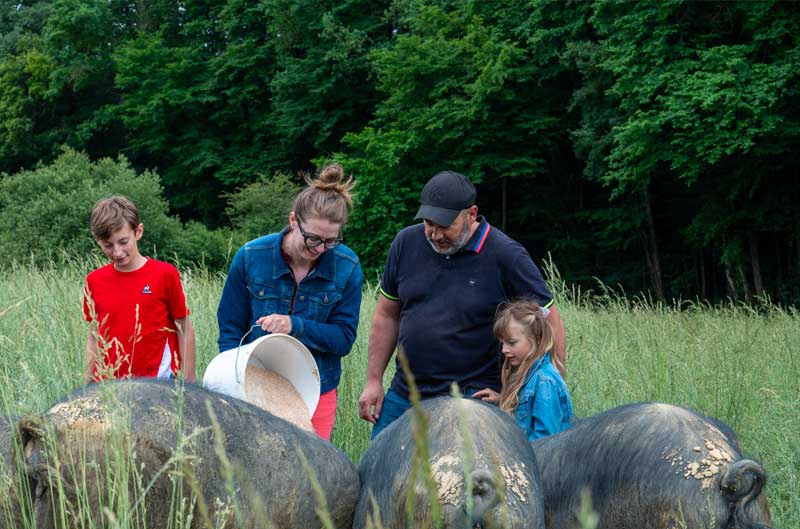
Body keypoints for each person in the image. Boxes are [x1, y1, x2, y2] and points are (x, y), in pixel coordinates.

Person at [357, 170, 567, 438]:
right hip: (405, 393)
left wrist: (545, 387)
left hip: (473, 397)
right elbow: (387, 315)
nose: (434, 234)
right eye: (428, 224)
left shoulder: (506, 254)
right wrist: (374, 380)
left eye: (445, 225)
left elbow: (549, 318)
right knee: (376, 468)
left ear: (471, 214)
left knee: (464, 477)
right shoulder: (405, 243)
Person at [217, 164, 362, 441]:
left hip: (317, 389)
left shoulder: (347, 266)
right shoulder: (250, 256)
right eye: (312, 239)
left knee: (312, 476)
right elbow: (230, 329)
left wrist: (295, 325)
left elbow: (343, 339)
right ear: (294, 220)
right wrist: (236, 382)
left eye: (331, 241)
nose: (320, 249)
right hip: (253, 386)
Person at [84, 195, 196, 382]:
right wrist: (87, 383)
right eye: (108, 245)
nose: (117, 252)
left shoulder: (165, 274)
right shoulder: (94, 280)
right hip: (109, 385)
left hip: (158, 382)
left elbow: (184, 328)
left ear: (138, 231)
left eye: (123, 241)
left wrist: (190, 381)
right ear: (97, 241)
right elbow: (94, 335)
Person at [493, 300, 572, 439]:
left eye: (511, 343)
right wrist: (500, 400)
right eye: (502, 343)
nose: (504, 350)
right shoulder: (528, 375)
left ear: (537, 339)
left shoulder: (544, 381)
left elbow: (546, 440)